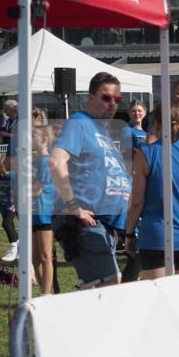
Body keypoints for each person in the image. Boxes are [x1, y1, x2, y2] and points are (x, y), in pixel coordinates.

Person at [49, 72, 132, 288]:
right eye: (106, 98)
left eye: (117, 99)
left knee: (100, 288)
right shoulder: (79, 122)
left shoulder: (101, 131)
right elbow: (56, 162)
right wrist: (73, 206)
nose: (112, 104)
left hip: (106, 225)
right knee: (108, 288)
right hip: (84, 222)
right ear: (90, 98)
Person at [125, 106, 179, 278]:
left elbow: (137, 202)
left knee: (158, 300)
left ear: (155, 124)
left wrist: (129, 233)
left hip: (156, 237)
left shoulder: (145, 153)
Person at [31, 126, 57, 293]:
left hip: (45, 214)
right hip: (33, 214)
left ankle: (47, 295)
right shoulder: (33, 161)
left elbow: (36, 190)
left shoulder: (47, 162)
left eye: (34, 137)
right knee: (35, 260)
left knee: (45, 256)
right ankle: (44, 292)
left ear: (44, 140)